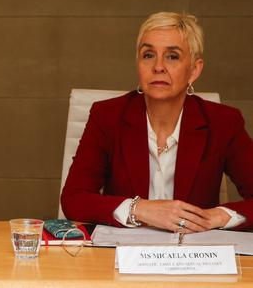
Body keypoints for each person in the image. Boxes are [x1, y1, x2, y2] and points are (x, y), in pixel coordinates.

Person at [61, 12, 253, 233]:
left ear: (194, 70)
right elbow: (74, 199)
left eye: (172, 56)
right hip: (123, 257)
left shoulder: (223, 122)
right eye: (148, 55)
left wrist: (218, 216)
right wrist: (139, 209)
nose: (158, 66)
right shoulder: (107, 116)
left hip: (194, 258)